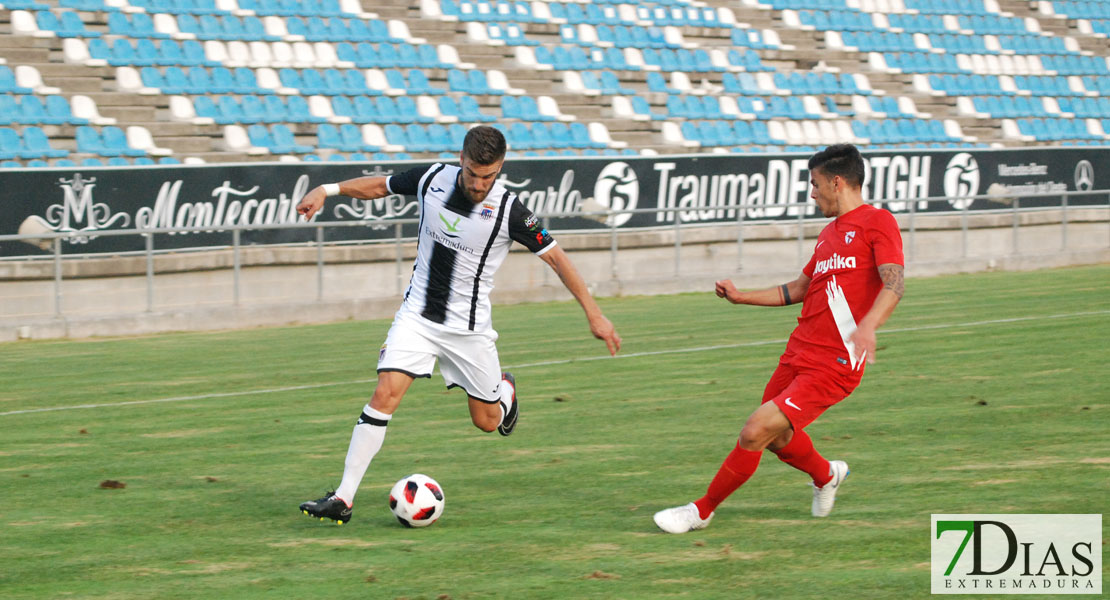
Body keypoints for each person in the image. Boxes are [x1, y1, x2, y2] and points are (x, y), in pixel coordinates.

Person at [296, 125, 621, 524]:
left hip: (469, 332)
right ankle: (343, 499)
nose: (480, 184)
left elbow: (557, 258)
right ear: (461, 159)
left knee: (487, 422)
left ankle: (505, 392)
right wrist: (327, 190)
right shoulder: (433, 178)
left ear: (500, 168)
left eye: (490, 175)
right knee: (385, 394)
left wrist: (595, 313)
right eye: (473, 174)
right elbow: (379, 186)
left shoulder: (509, 210)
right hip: (417, 317)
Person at [653, 143, 905, 534]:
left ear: (837, 182)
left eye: (815, 183)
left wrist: (870, 325)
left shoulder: (878, 222)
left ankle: (700, 511)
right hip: (798, 352)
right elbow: (799, 288)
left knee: (755, 430)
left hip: (836, 362)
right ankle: (826, 475)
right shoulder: (828, 234)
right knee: (775, 435)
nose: (812, 192)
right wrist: (742, 297)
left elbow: (894, 282)